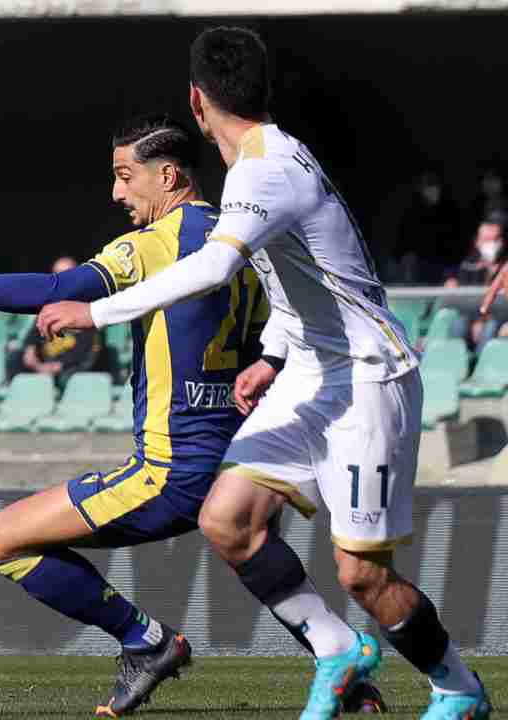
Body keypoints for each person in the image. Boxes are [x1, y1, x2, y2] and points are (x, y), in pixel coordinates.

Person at [38, 28, 491, 720]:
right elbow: (310, 273)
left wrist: (95, 312)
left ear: (196, 99)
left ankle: (458, 688)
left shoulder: (263, 170)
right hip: (309, 375)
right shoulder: (266, 159)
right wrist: (274, 355)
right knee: (227, 518)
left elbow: (217, 268)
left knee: (363, 575)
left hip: (367, 380)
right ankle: (336, 650)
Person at [0, 113, 384, 717]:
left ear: (168, 176)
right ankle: (352, 678)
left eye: (124, 176)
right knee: (253, 548)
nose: (116, 193)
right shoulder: (245, 237)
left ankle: (147, 640)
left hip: (170, 469)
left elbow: (51, 289)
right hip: (235, 465)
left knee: (3, 539)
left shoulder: (160, 244)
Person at [11, 255, 104, 387]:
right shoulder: (47, 307)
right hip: (44, 366)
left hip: (71, 370)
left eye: (67, 274)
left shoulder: (87, 307)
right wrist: (30, 352)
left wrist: (57, 367)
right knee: (15, 356)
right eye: (57, 274)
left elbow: (88, 354)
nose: (62, 279)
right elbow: (32, 338)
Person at [447, 216, 506, 351]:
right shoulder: (468, 265)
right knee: (458, 323)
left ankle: (482, 366)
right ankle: (457, 363)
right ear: (477, 242)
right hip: (472, 316)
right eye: (485, 240)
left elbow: (503, 305)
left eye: (493, 240)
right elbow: (463, 301)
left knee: (491, 326)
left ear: (501, 242)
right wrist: (477, 320)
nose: (489, 244)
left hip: (496, 318)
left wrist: (483, 319)